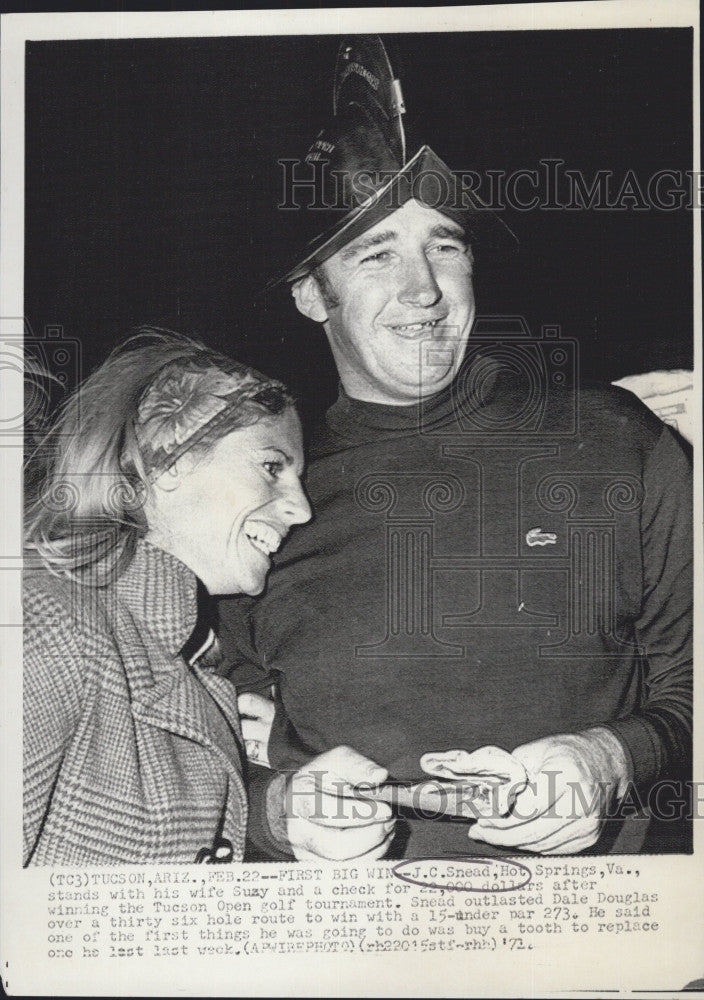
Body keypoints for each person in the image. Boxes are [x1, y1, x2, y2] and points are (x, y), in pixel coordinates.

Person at [220, 36, 693, 859]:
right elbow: (196, 750)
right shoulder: (260, 493)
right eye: (377, 254)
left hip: (599, 950)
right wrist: (276, 815)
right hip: (351, 954)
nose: (424, 290)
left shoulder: (614, 441)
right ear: (310, 295)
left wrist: (611, 759)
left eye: (444, 245)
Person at [23, 328, 395, 865]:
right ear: (171, 461)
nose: (301, 508)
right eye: (272, 467)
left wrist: (280, 807)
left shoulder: (186, 668)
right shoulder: (49, 622)